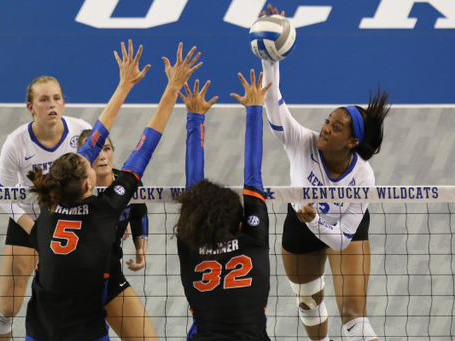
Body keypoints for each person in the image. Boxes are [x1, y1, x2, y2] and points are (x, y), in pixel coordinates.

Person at [24, 40, 201, 341]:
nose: (94, 155)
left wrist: (124, 85)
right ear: (89, 183)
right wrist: (171, 89)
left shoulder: (48, 205)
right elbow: (144, 147)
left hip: (42, 330)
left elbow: (94, 142)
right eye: (88, 160)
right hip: (85, 331)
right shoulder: (104, 211)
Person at [261, 5, 390, 341]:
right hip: (300, 227)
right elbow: (273, 102)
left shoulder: (362, 177)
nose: (326, 129)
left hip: (340, 227)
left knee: (354, 317)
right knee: (309, 305)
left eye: (336, 127)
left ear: (351, 141)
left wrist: (315, 220)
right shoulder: (302, 143)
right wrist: (269, 57)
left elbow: (343, 238)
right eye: (327, 121)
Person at [0, 75, 91, 339]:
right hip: (29, 220)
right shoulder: (16, 142)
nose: (51, 104)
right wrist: (34, 230)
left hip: (70, 221)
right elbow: (2, 193)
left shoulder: (81, 131)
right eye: (44, 99)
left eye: (56, 98)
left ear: (64, 102)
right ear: (31, 107)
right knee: (8, 307)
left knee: (82, 300)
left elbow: (98, 175)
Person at [175, 70, 272, 340]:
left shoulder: (191, 245)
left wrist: (195, 117)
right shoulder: (254, 239)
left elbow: (195, 191)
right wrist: (255, 109)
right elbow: (253, 174)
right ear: (240, 222)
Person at [76, 129, 156, 340]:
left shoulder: (126, 184)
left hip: (110, 276)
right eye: (96, 151)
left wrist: (141, 248)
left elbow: (139, 212)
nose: (102, 156)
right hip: (75, 284)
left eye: (107, 149)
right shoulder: (72, 194)